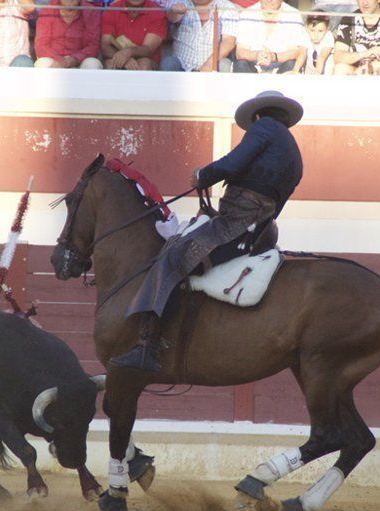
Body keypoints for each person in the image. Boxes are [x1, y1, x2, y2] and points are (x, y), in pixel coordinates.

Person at [110, 91, 303, 372]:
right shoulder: (292, 151)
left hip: (237, 219)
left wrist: (203, 175)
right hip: (259, 226)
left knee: (174, 256)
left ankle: (146, 346)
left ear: (259, 115)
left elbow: (234, 161)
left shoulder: (264, 127)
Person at [233, 0, 310, 73]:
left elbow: (296, 52)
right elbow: (240, 52)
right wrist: (256, 55)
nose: (269, 0)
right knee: (240, 64)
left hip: (281, 65)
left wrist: (274, 57)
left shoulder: (293, 15)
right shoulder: (247, 14)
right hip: (253, 65)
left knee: (291, 64)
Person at [160, 0, 238, 72]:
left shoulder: (226, 7)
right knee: (168, 63)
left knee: (225, 65)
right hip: (181, 66)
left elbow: (228, 41)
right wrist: (175, 12)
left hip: (212, 66)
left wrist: (208, 65)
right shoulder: (179, 2)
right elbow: (171, 17)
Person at [332, 0, 380, 76]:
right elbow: (338, 56)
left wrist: (366, 68)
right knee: (340, 68)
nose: (365, 3)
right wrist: (366, 53)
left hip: (378, 68)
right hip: (354, 70)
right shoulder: (348, 20)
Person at [34, 0, 102, 69]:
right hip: (54, 60)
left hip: (80, 61)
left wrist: (73, 60)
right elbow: (41, 45)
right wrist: (60, 60)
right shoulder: (48, 10)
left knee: (92, 63)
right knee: (43, 63)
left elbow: (93, 46)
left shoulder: (90, 11)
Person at [101, 0, 167, 70]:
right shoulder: (112, 9)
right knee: (110, 63)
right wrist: (124, 58)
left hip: (147, 59)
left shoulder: (156, 11)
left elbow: (148, 49)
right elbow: (105, 46)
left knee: (144, 63)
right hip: (117, 55)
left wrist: (129, 52)